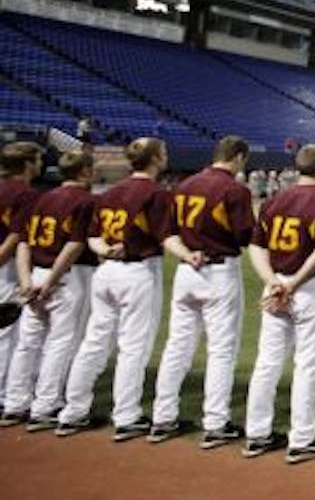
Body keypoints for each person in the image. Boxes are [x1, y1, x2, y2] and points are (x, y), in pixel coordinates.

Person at [58, 138, 201, 439]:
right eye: (162, 152)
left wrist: (107, 250)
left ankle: (72, 411)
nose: (166, 155)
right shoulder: (156, 194)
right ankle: (126, 416)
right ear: (155, 159)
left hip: (105, 271)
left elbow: (93, 236)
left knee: (94, 342)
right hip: (138, 271)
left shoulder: (109, 192)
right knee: (133, 346)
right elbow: (165, 237)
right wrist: (187, 254)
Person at [149, 135, 254, 448]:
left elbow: (167, 234)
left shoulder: (184, 185)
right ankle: (215, 422)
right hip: (219, 272)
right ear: (237, 157)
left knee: (177, 347)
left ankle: (162, 418)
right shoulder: (234, 189)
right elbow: (246, 235)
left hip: (186, 270)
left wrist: (186, 254)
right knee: (221, 350)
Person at [243, 143, 315, 464]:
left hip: (275, 284)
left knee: (267, 361)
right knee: (308, 363)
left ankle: (257, 433)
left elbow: (256, 247)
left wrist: (273, 282)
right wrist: (292, 284)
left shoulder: (273, 201)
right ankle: (301, 438)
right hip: (308, 286)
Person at [1, 150, 97, 430]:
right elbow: (76, 243)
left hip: (35, 272)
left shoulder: (43, 198)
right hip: (68, 275)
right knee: (60, 342)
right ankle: (45, 406)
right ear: (86, 172)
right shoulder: (86, 201)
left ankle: (15, 404)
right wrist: (53, 279)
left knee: (27, 342)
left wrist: (26, 281)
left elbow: (23, 243)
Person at [0, 141, 43, 400]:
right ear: (27, 164)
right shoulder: (26, 194)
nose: (40, 163)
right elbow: (17, 235)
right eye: (37, 159)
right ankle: (5, 395)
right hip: (9, 267)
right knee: (8, 331)